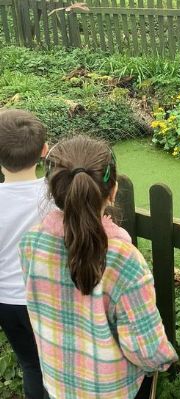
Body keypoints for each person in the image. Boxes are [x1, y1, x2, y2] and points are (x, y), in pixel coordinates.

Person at [19, 135, 177, 399]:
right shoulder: (124, 260)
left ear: (52, 190)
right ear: (113, 191)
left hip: (57, 385)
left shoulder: (32, 242)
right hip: (111, 390)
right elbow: (146, 349)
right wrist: (163, 359)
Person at [0, 109, 49, 399]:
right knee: (56, 365)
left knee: (30, 364)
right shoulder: (55, 196)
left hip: (6, 299)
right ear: (44, 150)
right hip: (47, 298)